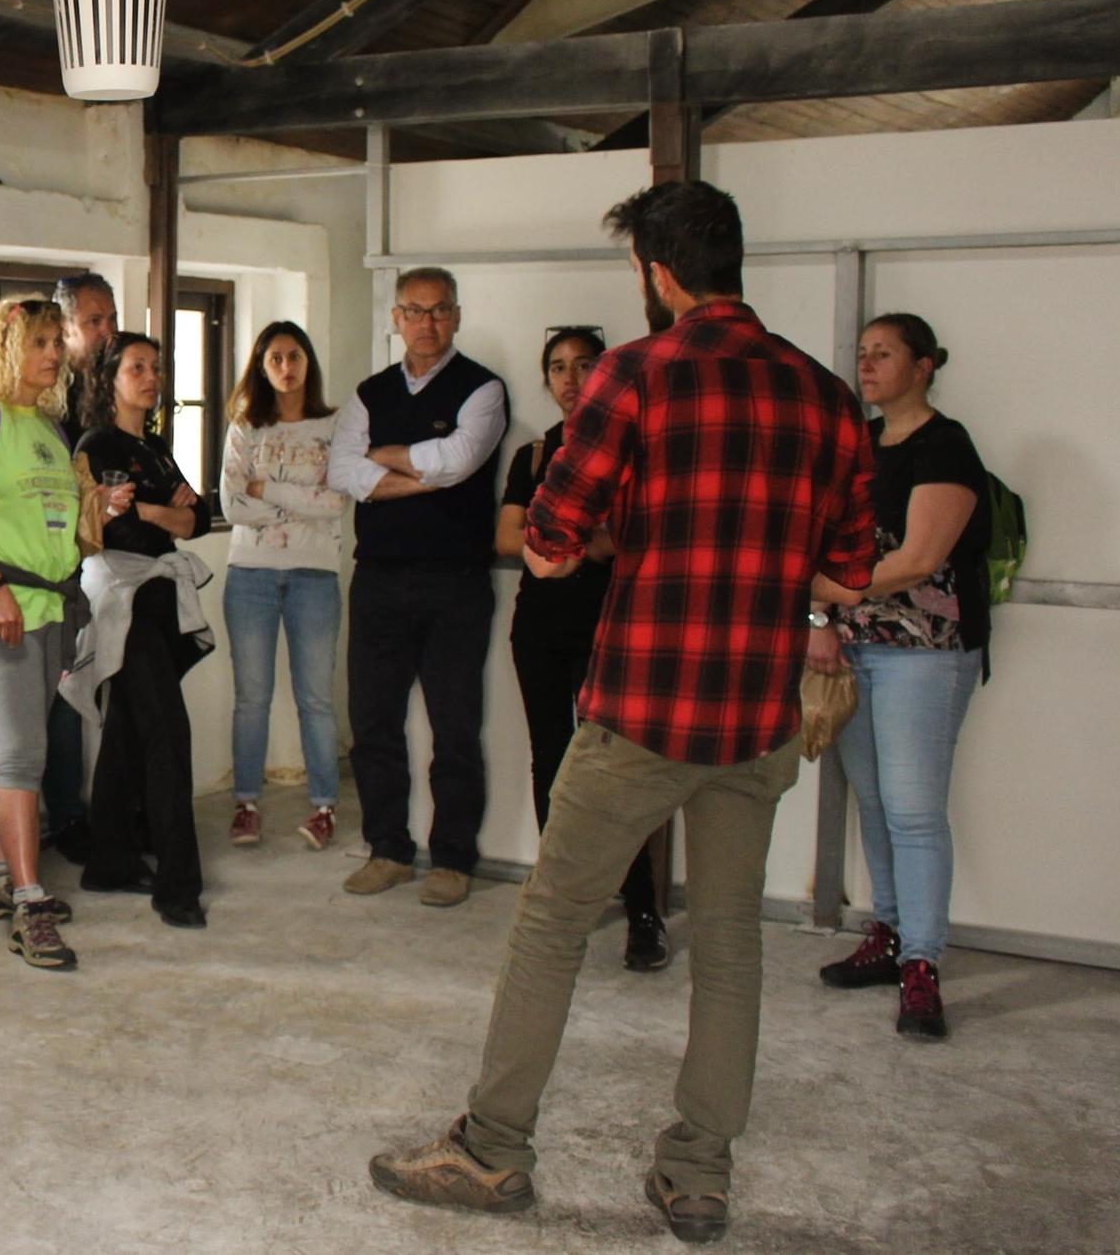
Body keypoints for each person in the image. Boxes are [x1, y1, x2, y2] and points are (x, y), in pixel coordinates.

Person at [373, 180, 874, 1247]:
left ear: (655, 271)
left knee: (551, 925)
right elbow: (847, 571)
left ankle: (492, 1150)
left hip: (643, 705)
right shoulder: (825, 397)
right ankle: (696, 1177)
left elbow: (549, 545)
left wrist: (620, 534)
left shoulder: (634, 377)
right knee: (730, 942)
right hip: (756, 717)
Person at [809, 313, 991, 1041]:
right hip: (855, 650)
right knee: (876, 803)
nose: (870, 365)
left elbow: (917, 559)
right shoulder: (855, 445)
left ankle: (922, 963)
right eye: (863, 355)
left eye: (885, 354)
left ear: (925, 366)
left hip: (926, 652)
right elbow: (821, 546)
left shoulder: (946, 446)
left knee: (915, 810)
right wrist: (821, 624)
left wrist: (829, 594)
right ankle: (885, 935)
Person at [0, 297, 130, 971]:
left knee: (16, 751)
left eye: (56, 340)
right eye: (41, 342)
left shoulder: (46, 423)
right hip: (4, 608)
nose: (54, 353)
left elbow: (52, 519)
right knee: (24, 757)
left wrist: (98, 506)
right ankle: (29, 902)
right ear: (7, 348)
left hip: (52, 606)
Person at [327, 267, 509, 907]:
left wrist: (386, 458)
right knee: (373, 720)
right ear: (396, 317)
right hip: (378, 580)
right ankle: (387, 850)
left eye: (439, 311)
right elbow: (343, 471)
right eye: (414, 310)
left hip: (454, 584)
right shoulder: (369, 392)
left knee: (455, 725)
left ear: (455, 316)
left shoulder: (483, 390)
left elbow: (460, 463)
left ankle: (453, 859)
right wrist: (420, 471)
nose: (426, 323)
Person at [497, 326, 667, 972]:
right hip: (540, 625)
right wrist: (579, 540)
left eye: (584, 365)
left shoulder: (634, 450)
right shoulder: (535, 455)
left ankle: (642, 909)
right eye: (558, 367)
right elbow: (509, 537)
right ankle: (564, 901)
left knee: (623, 773)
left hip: (614, 628)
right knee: (552, 762)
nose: (570, 378)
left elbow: (629, 539)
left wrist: (572, 539)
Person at [67, 334, 213, 927]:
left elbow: (197, 517)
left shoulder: (154, 446)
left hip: (157, 592)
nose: (151, 377)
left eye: (157, 367)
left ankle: (110, 860)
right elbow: (116, 528)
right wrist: (161, 513)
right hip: (122, 595)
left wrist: (155, 511)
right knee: (166, 733)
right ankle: (178, 888)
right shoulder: (97, 443)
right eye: (137, 367)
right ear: (110, 379)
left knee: (129, 729)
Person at [217, 320, 350, 851]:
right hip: (249, 573)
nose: (286, 368)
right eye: (275, 359)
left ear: (308, 362)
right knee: (252, 698)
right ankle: (246, 803)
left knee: (315, 698)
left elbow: (335, 501)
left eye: (294, 356)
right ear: (261, 366)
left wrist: (265, 487)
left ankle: (324, 807)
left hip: (315, 573)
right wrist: (298, 497)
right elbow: (230, 505)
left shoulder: (334, 426)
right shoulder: (245, 427)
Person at [42, 270, 121, 858]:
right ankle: (66, 816)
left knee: (109, 687)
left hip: (116, 561)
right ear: (64, 326)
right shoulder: (48, 397)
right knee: (63, 694)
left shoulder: (116, 386)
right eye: (93, 321)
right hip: (53, 567)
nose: (106, 332)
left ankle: (114, 806)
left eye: (110, 318)